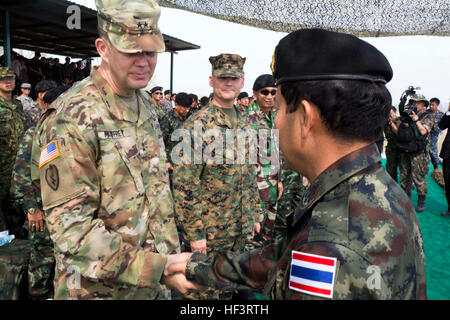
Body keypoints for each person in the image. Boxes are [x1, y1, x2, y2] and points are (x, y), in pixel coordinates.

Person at [164, 28, 427, 300]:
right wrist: (201, 266)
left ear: (305, 117)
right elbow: (284, 257)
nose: (274, 122)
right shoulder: (379, 188)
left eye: (278, 108)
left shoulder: (327, 245)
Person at [29, 0, 198, 300]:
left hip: (153, 288)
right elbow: (73, 234)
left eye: (150, 51)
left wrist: (166, 265)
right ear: (103, 49)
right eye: (132, 52)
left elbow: (156, 197)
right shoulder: (71, 116)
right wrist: (157, 268)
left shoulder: (145, 104)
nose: (144, 62)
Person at [171, 53, 262, 300]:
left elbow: (248, 172)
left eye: (234, 78)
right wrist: (195, 233)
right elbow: (184, 184)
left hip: (239, 228)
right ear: (212, 81)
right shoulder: (196, 125)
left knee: (233, 289)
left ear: (242, 82)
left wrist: (254, 213)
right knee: (205, 294)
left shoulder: (244, 122)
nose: (228, 83)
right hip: (211, 233)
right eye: (223, 78)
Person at [10, 85, 69, 300]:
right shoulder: (34, 134)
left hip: (71, 211)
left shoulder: (75, 135)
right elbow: (21, 176)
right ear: (46, 107)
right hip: (43, 209)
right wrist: (32, 208)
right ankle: (39, 294)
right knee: (43, 257)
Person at [245, 74, 282, 244]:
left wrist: (279, 180)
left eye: (273, 93)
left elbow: (276, 152)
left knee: (269, 234)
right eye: (264, 92)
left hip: (272, 186)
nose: (269, 97)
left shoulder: (275, 117)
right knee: (253, 238)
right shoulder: (247, 119)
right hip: (256, 189)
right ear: (255, 94)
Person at [395, 94, 435, 212]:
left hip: (419, 153)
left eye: (416, 103)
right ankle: (404, 200)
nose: (413, 104)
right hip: (406, 149)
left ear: (423, 105)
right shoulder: (408, 115)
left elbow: (423, 131)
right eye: (412, 102)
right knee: (404, 176)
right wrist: (403, 116)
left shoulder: (428, 117)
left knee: (418, 177)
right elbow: (397, 129)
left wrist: (415, 119)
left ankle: (421, 201)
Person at [0, 67, 25, 235]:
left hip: (18, 162)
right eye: (4, 79)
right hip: (2, 163)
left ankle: (15, 232)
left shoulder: (18, 104)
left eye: (11, 79)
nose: (8, 82)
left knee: (16, 198)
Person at [438, 101, 450, 217]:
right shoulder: (449, 114)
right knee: (447, 179)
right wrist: (449, 111)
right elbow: (441, 126)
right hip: (448, 153)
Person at [384, 106, 401, 182]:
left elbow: (398, 133)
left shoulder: (399, 120)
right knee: (390, 169)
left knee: (404, 170)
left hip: (400, 148)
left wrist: (391, 123)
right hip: (391, 147)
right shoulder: (385, 122)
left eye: (391, 113)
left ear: (395, 113)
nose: (389, 115)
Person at [429, 97, 444, 170]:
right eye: (430, 104)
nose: (431, 106)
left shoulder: (441, 115)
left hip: (434, 138)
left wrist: (435, 129)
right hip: (424, 137)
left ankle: (436, 168)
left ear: (437, 105)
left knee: (434, 154)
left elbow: (442, 127)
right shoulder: (426, 112)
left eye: (433, 105)